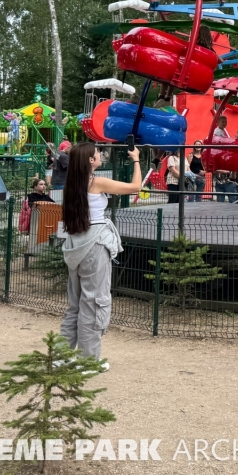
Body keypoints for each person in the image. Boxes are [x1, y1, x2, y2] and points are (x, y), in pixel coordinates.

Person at [61, 143, 141, 367]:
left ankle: (59, 356)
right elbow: (136, 187)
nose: (100, 155)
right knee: (94, 302)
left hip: (75, 243)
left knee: (75, 304)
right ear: (89, 160)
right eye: (97, 153)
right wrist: (135, 159)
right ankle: (88, 361)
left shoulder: (72, 184)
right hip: (94, 245)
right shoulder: (96, 183)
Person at [211, 117, 238, 202]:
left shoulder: (221, 131)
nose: (225, 123)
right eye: (223, 122)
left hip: (224, 180)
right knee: (231, 200)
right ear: (218, 122)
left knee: (225, 200)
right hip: (223, 180)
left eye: (226, 122)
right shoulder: (218, 132)